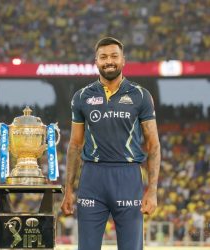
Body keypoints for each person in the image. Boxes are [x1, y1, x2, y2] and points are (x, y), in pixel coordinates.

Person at [61, 37, 161, 250]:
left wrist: (152, 190)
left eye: (114, 56)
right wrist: (68, 188)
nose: (109, 61)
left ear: (123, 60)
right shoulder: (81, 97)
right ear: (96, 61)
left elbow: (153, 145)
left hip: (128, 176)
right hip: (92, 178)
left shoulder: (141, 95)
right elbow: (75, 145)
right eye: (103, 57)